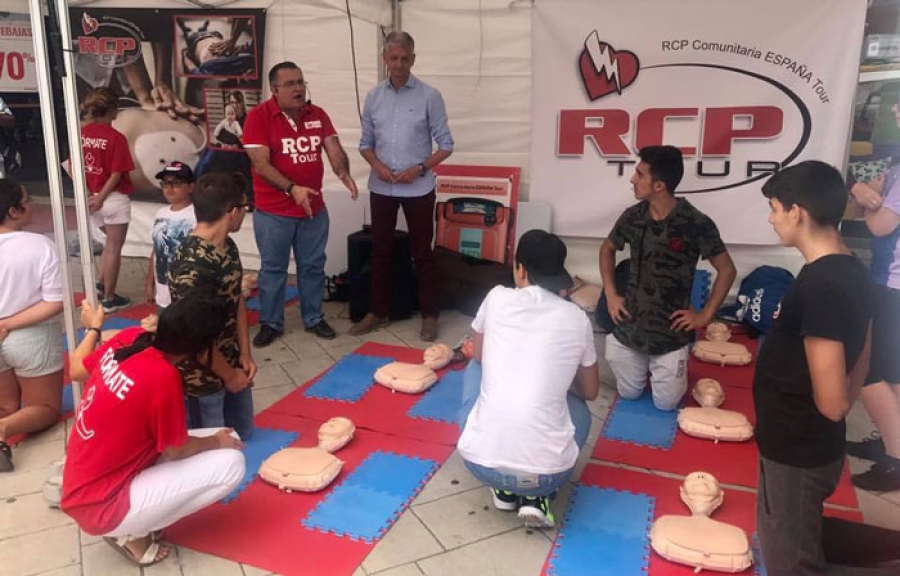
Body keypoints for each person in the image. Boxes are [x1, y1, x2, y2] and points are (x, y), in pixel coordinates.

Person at [753, 161, 893, 576]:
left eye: (775, 208)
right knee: (792, 538)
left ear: (797, 212)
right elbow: (864, 349)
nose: (771, 217)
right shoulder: (847, 267)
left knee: (790, 567)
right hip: (805, 445)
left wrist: (841, 399)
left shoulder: (823, 285)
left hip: (797, 451)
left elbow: (832, 405)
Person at [61, 293, 245, 567]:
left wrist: (94, 328)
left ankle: (133, 521)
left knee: (228, 437)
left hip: (82, 481)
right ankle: (131, 532)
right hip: (101, 505)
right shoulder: (163, 376)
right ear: (201, 348)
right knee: (232, 462)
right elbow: (176, 449)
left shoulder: (131, 337)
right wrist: (215, 442)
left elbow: (76, 369)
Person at [457, 230, 600, 529]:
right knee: (578, 408)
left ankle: (504, 490)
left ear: (519, 269)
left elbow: (479, 355)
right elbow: (590, 390)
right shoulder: (577, 318)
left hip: (481, 465)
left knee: (475, 366)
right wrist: (558, 378)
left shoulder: (496, 297)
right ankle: (537, 497)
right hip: (550, 474)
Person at [599, 145, 736, 410]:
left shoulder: (695, 223)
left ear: (659, 185)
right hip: (630, 330)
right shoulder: (633, 216)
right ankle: (641, 365)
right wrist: (611, 294)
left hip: (670, 336)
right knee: (629, 393)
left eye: (640, 174)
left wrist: (704, 316)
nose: (632, 180)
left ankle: (668, 369)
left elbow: (727, 270)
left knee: (666, 404)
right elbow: (607, 249)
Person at [243, 61, 358, 346]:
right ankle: (271, 323)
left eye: (300, 82)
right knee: (273, 269)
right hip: (273, 212)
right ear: (274, 90)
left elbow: (332, 147)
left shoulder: (317, 114)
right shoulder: (258, 117)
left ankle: (314, 318)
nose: (298, 89)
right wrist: (292, 189)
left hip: (313, 211)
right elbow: (260, 163)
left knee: (313, 266)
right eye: (290, 84)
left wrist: (343, 173)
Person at [352, 31, 454, 342]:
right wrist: (377, 165)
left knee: (422, 253)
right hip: (381, 187)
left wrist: (420, 168)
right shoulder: (373, 97)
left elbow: (446, 145)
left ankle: (429, 315)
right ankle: (378, 311)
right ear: (384, 59)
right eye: (393, 58)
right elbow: (365, 144)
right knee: (380, 251)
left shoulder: (429, 96)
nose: (398, 64)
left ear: (413, 59)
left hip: (418, 188)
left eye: (404, 58)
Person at [167, 171, 257, 441]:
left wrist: (244, 354)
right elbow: (193, 338)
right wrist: (230, 377)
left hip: (231, 362)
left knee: (243, 435)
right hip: (200, 380)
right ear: (232, 212)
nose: (245, 214)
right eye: (245, 207)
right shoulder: (192, 265)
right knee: (213, 447)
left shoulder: (227, 246)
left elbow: (236, 298)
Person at [843, 98, 900, 492]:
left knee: (872, 370)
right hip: (890, 283)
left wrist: (870, 196)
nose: (895, 111)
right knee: (892, 371)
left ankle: (895, 459)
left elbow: (881, 226)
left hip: (893, 284)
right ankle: (890, 440)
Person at [0, 179, 64, 471]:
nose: (32, 204)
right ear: (14, 211)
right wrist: (9, 323)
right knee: (46, 409)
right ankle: (3, 430)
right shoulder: (40, 246)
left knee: (6, 407)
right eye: (27, 200)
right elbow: (55, 301)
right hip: (31, 336)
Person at [80, 87, 135, 313]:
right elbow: (117, 173)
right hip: (111, 198)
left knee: (108, 244)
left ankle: (101, 285)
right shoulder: (116, 138)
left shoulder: (81, 134)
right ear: (112, 109)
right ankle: (110, 299)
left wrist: (90, 195)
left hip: (91, 197)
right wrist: (101, 198)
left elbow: (73, 167)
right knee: (113, 247)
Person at [145, 161, 197, 308]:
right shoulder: (160, 214)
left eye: (177, 183)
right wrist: (149, 283)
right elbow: (156, 250)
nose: (170, 188)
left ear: (191, 186)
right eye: (166, 183)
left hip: (189, 293)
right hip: (163, 292)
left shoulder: (198, 214)